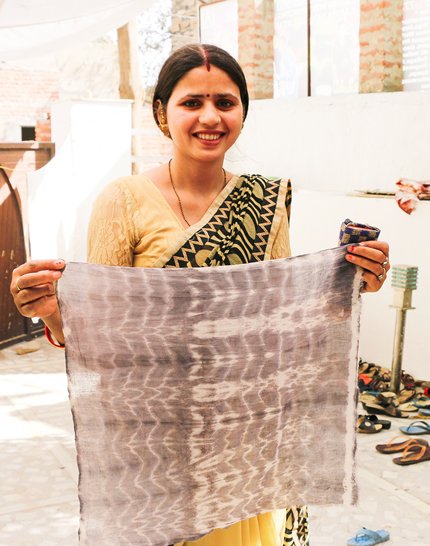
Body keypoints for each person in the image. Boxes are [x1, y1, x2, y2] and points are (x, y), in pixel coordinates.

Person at [9, 44, 391, 546]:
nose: (210, 117)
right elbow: (103, 340)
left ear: (242, 113)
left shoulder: (264, 201)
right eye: (192, 102)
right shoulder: (123, 202)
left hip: (247, 439)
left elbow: (283, 328)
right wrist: (56, 317)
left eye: (225, 103)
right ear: (162, 113)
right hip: (159, 440)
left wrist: (355, 284)